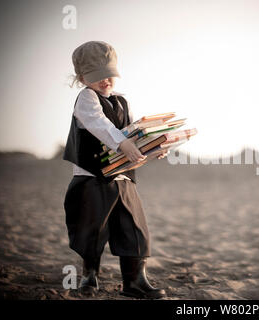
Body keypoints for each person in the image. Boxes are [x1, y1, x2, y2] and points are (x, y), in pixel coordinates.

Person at [63, 41, 167, 299]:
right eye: (96, 77)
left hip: (123, 178)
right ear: (81, 77)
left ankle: (135, 280)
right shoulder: (87, 98)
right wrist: (121, 142)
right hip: (92, 177)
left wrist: (151, 150)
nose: (105, 81)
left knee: (134, 228)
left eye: (109, 75)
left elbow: (132, 133)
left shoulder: (122, 101)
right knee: (92, 229)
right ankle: (89, 275)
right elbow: (99, 124)